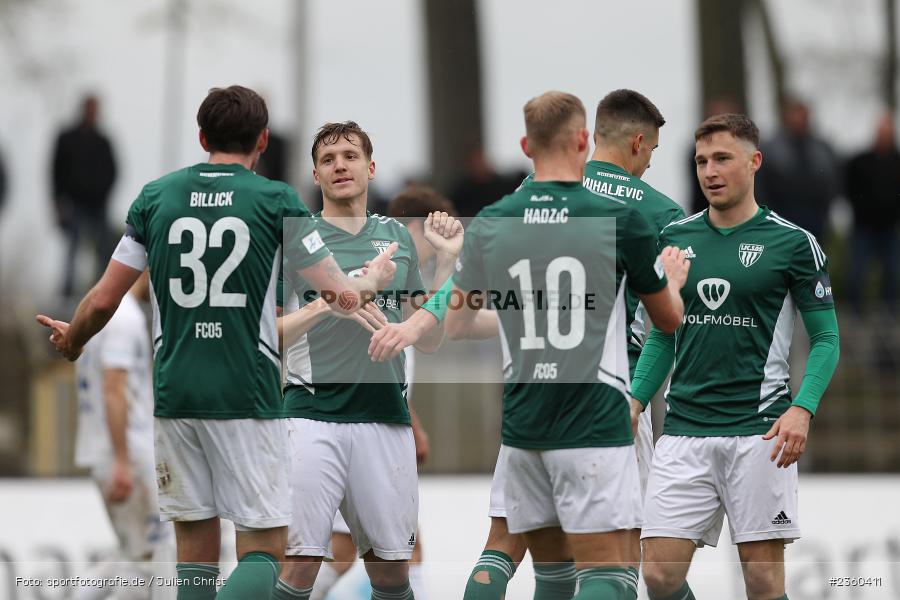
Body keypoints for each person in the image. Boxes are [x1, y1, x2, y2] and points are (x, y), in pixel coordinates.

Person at [37, 86, 398, 600]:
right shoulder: (275, 200)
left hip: (175, 396)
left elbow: (101, 301)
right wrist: (372, 280)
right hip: (244, 394)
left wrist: (72, 340)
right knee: (264, 552)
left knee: (196, 562)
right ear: (263, 140)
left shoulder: (155, 198)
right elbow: (339, 296)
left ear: (202, 137)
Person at [447, 91, 688, 600]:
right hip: (600, 411)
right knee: (611, 567)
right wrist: (672, 283)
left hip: (524, 415)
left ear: (524, 145)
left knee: (510, 552)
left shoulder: (493, 219)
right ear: (583, 139)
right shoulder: (632, 215)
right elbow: (668, 321)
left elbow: (458, 325)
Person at [634, 113, 840, 600]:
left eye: (722, 158)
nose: (709, 171)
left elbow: (827, 339)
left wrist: (802, 409)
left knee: (764, 582)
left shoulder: (794, 243)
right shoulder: (675, 240)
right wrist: (635, 400)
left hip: (761, 432)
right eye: (701, 160)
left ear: (755, 161)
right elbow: (664, 334)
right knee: (660, 576)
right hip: (684, 431)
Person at [276, 121, 462, 600]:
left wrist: (444, 264)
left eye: (350, 155)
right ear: (315, 175)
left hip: (384, 420)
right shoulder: (297, 239)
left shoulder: (395, 237)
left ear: (371, 168)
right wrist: (341, 297)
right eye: (328, 159)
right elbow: (268, 335)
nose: (340, 165)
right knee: (298, 565)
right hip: (311, 416)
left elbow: (430, 340)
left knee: (393, 572)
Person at [72, 270, 172, 600]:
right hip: (126, 453)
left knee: (134, 554)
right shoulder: (124, 317)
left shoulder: (101, 315)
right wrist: (122, 461)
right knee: (148, 561)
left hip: (105, 450)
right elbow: (114, 389)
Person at [52, 94, 118, 298]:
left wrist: (103, 196)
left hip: (98, 205)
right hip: (75, 204)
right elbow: (56, 172)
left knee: (104, 249)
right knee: (72, 251)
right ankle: (67, 294)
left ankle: (99, 291)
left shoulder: (103, 141)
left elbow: (113, 171)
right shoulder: (67, 138)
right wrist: (58, 203)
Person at [756, 98, 840, 241]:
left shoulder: (822, 148)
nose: (798, 120)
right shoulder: (771, 148)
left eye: (802, 115)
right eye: (794, 115)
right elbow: (761, 183)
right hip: (781, 216)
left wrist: (825, 211)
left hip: (815, 217)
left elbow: (833, 180)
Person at [844, 111, 900, 315]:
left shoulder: (896, 161)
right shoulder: (860, 161)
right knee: (857, 274)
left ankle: (889, 317)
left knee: (893, 274)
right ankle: (855, 316)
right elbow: (848, 188)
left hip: (890, 228)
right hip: (863, 227)